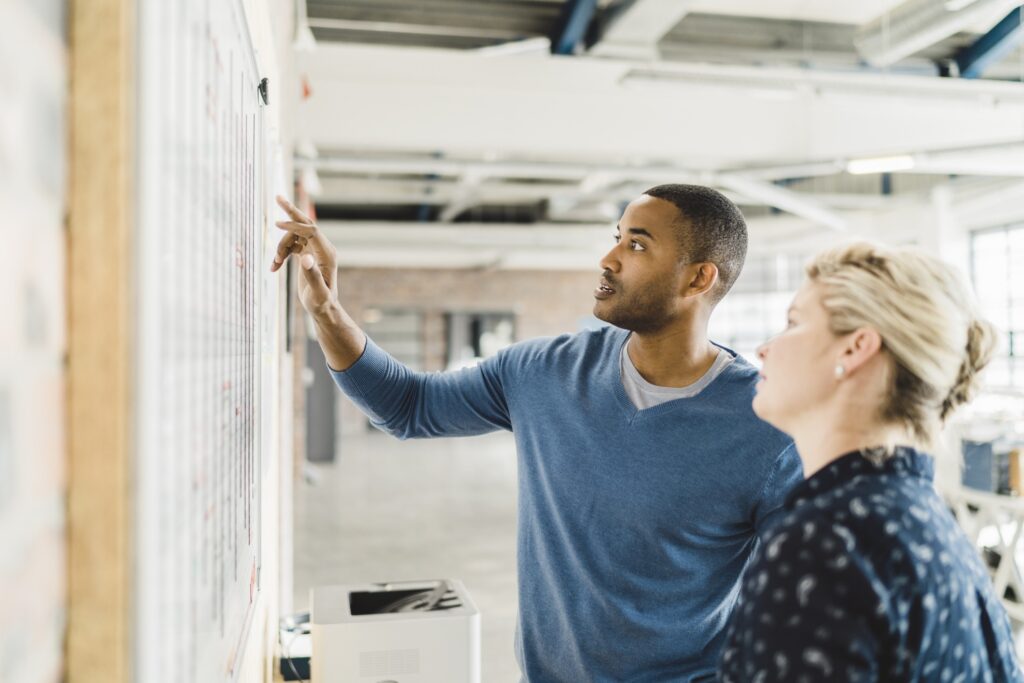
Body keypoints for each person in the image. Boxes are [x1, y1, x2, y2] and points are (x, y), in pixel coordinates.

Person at [273, 185, 803, 682]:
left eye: (637, 245)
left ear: (698, 279)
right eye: (616, 237)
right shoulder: (543, 372)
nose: (609, 258)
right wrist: (325, 311)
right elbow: (408, 407)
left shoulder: (770, 427)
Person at [718, 242, 1023, 682]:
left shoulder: (825, 544)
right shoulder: (919, 520)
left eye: (794, 323)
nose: (766, 348)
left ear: (855, 348)